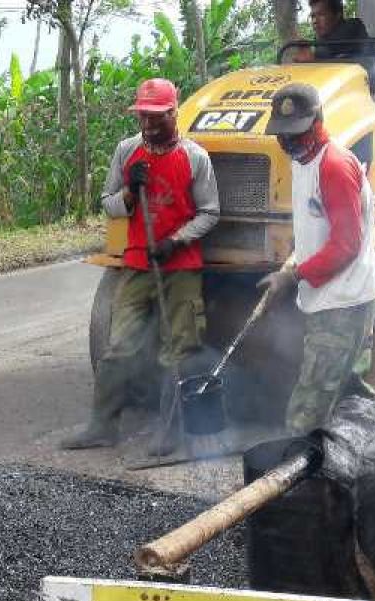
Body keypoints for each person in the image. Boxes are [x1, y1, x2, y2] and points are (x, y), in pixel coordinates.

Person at [62, 78, 220, 456]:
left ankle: (172, 431)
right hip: (137, 263)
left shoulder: (195, 157)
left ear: (173, 112)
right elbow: (108, 203)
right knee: (119, 347)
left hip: (180, 267)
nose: (147, 124)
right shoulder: (127, 151)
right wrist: (130, 193)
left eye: (155, 117)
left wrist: (175, 241)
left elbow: (211, 212)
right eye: (142, 117)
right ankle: (102, 426)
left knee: (177, 350)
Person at [258, 82, 375, 434]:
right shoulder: (303, 162)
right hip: (325, 297)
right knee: (345, 391)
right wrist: (293, 265)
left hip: (344, 301)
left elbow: (345, 244)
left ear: (317, 122)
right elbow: (318, 230)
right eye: (282, 135)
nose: (288, 142)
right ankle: (360, 458)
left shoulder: (334, 167)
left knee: (308, 407)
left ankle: (295, 480)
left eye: (295, 133)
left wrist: (293, 277)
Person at [293, 0, 373, 62]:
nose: (315, 21)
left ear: (337, 15)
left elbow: (334, 51)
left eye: (321, 15)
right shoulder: (320, 39)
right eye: (313, 16)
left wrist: (314, 60)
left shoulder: (352, 27)